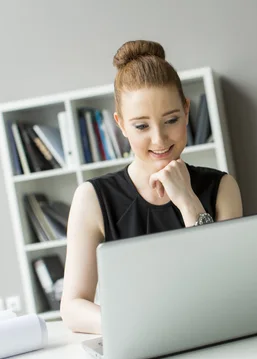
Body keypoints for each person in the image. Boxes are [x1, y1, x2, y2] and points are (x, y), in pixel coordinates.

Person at [60, 40, 243, 334]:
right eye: (142, 126)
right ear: (120, 125)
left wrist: (187, 200)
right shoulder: (92, 198)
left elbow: (230, 284)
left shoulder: (221, 187)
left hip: (215, 335)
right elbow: (72, 307)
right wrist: (130, 326)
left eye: (171, 120)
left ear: (186, 111)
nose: (159, 139)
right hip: (137, 343)